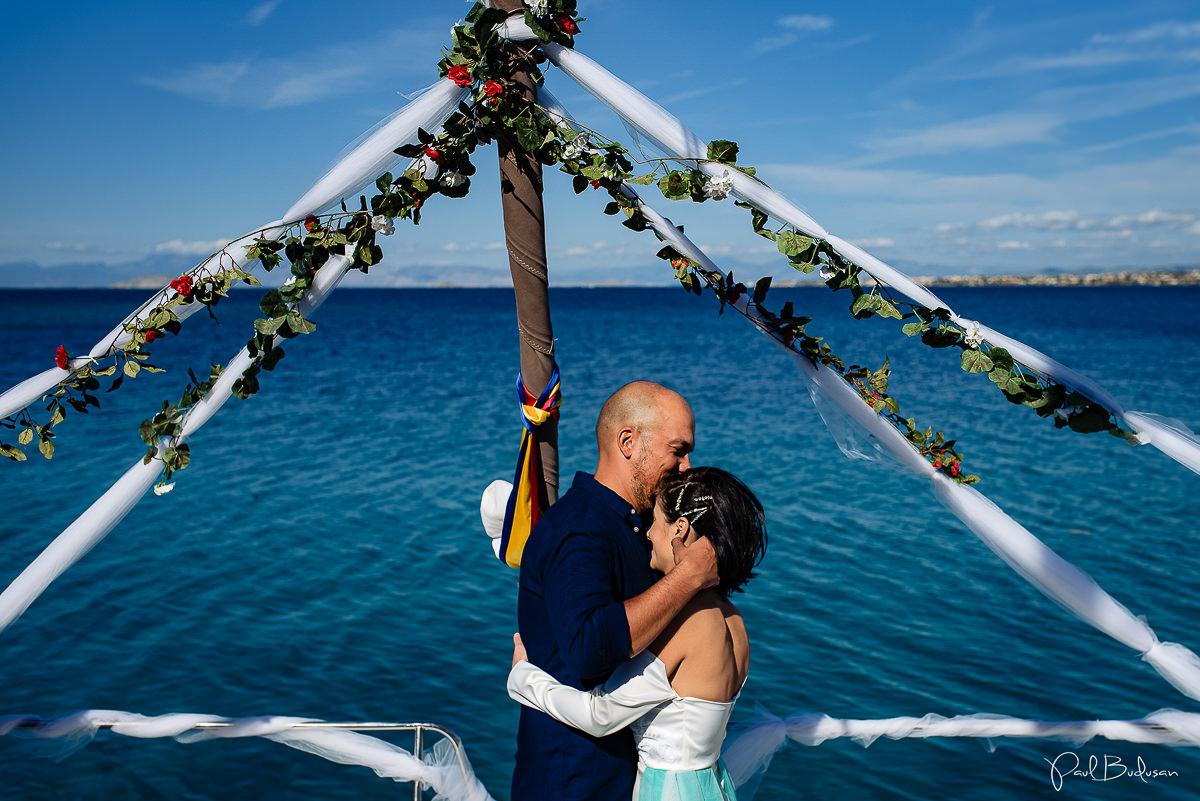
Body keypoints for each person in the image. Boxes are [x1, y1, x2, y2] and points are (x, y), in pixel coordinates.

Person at [511, 381, 721, 801]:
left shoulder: (631, 527)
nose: (687, 466)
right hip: (572, 782)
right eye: (678, 450)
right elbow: (589, 647)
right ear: (628, 442)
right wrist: (688, 577)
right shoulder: (579, 528)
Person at [509, 467, 768, 801]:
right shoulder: (734, 621)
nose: (648, 533)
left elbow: (599, 715)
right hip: (711, 784)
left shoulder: (690, 624)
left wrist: (523, 676)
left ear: (681, 529)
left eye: (657, 521)